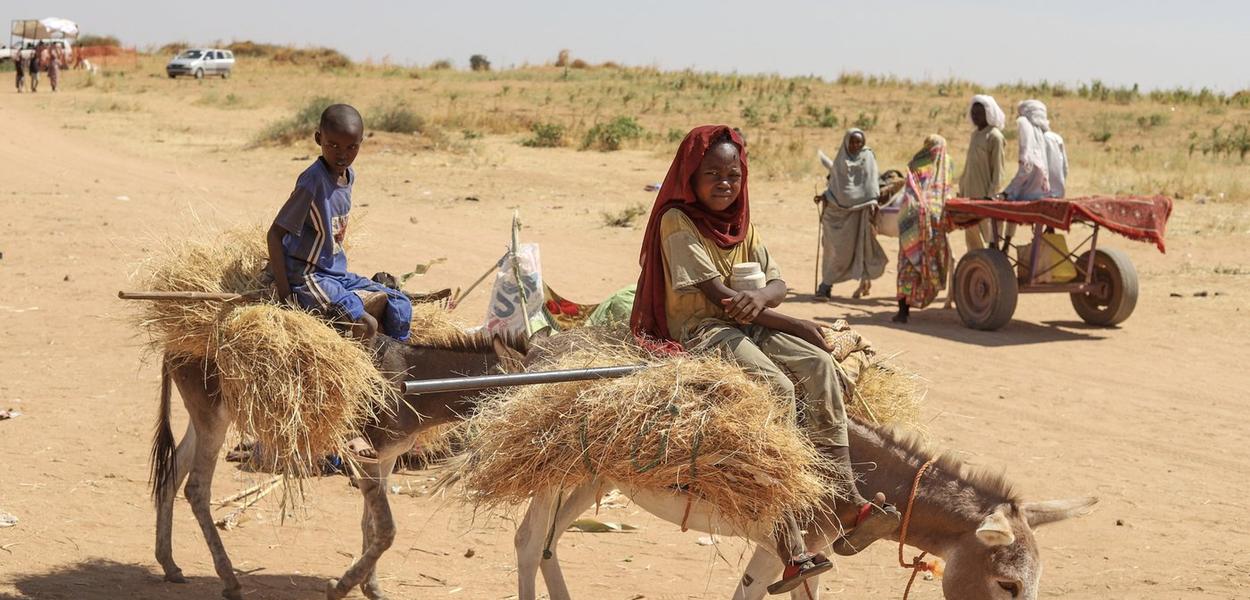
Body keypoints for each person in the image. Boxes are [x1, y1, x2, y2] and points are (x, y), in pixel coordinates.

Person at [631, 125, 900, 595]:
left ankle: (848, 500)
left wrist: (768, 304)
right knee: (773, 385)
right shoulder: (678, 220)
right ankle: (787, 530)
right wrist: (786, 319)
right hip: (701, 329)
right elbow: (720, 297)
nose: (723, 184)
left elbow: (777, 285)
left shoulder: (743, 222)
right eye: (710, 174)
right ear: (689, 178)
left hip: (746, 321)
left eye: (732, 174)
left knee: (820, 367)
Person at [267, 103, 413, 344]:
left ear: (360, 143)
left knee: (401, 304)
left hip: (336, 273)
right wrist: (285, 296)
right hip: (307, 274)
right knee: (364, 321)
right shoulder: (312, 183)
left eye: (351, 147)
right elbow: (274, 235)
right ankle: (368, 374)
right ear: (318, 138)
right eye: (332, 145)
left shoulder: (348, 174)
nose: (342, 154)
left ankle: (402, 356)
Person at [815, 128, 887, 300]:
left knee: (862, 249)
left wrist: (872, 202)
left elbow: (871, 185)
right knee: (836, 251)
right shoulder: (841, 161)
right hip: (839, 215)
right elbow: (835, 187)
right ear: (846, 142)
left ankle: (863, 282)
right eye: (853, 142)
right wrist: (824, 197)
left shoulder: (868, 157)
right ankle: (826, 285)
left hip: (861, 213)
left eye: (859, 142)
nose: (856, 145)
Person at [893, 135, 954, 324]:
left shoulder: (946, 165)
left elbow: (945, 192)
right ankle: (903, 310)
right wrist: (923, 209)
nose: (937, 154)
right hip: (916, 224)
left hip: (933, 226)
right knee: (909, 266)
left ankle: (910, 306)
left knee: (921, 266)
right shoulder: (918, 164)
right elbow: (911, 193)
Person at [957, 95, 1006, 249]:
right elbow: (969, 166)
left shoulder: (995, 136)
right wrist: (962, 189)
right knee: (971, 238)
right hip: (969, 196)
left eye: (979, 113)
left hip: (985, 197)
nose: (975, 116)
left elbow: (998, 170)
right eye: (973, 112)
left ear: (988, 113)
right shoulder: (974, 135)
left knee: (990, 238)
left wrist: (991, 195)